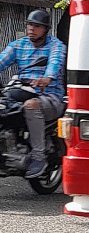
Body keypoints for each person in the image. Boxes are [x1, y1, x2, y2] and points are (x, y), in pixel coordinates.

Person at [0, 10, 66, 178]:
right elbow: (2, 60)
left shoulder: (55, 46)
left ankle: (39, 156)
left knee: (31, 105)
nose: (32, 29)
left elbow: (55, 62)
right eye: (30, 25)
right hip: (22, 91)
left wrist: (47, 78)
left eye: (37, 26)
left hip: (49, 97)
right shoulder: (18, 45)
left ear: (46, 29)